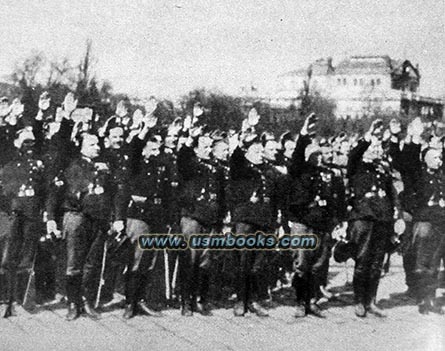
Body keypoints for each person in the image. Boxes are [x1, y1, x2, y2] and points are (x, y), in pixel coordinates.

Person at [46, 132, 126, 321]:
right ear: (80, 146)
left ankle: (87, 301)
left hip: (99, 220)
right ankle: (73, 303)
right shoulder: (70, 165)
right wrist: (50, 217)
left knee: (92, 263)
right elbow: (54, 192)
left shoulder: (106, 167)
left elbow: (116, 193)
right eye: (91, 144)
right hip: (76, 217)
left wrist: (119, 218)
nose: (97, 147)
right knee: (73, 263)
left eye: (98, 144)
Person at [347, 119, 401, 318]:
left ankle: (371, 300)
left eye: (378, 148)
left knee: (378, 262)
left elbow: (391, 192)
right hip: (364, 216)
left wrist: (396, 213)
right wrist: (369, 137)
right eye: (372, 147)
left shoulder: (382, 170)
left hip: (383, 218)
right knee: (362, 260)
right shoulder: (357, 165)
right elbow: (353, 155)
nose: (376, 150)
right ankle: (359, 300)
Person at [1, 128, 47, 317]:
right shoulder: (8, 166)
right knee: (8, 257)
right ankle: (7, 299)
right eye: (26, 141)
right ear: (16, 143)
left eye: (32, 142)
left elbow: (45, 190)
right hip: (13, 216)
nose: (30, 145)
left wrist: (44, 212)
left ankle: (23, 298)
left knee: (27, 257)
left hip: (32, 216)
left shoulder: (39, 166)